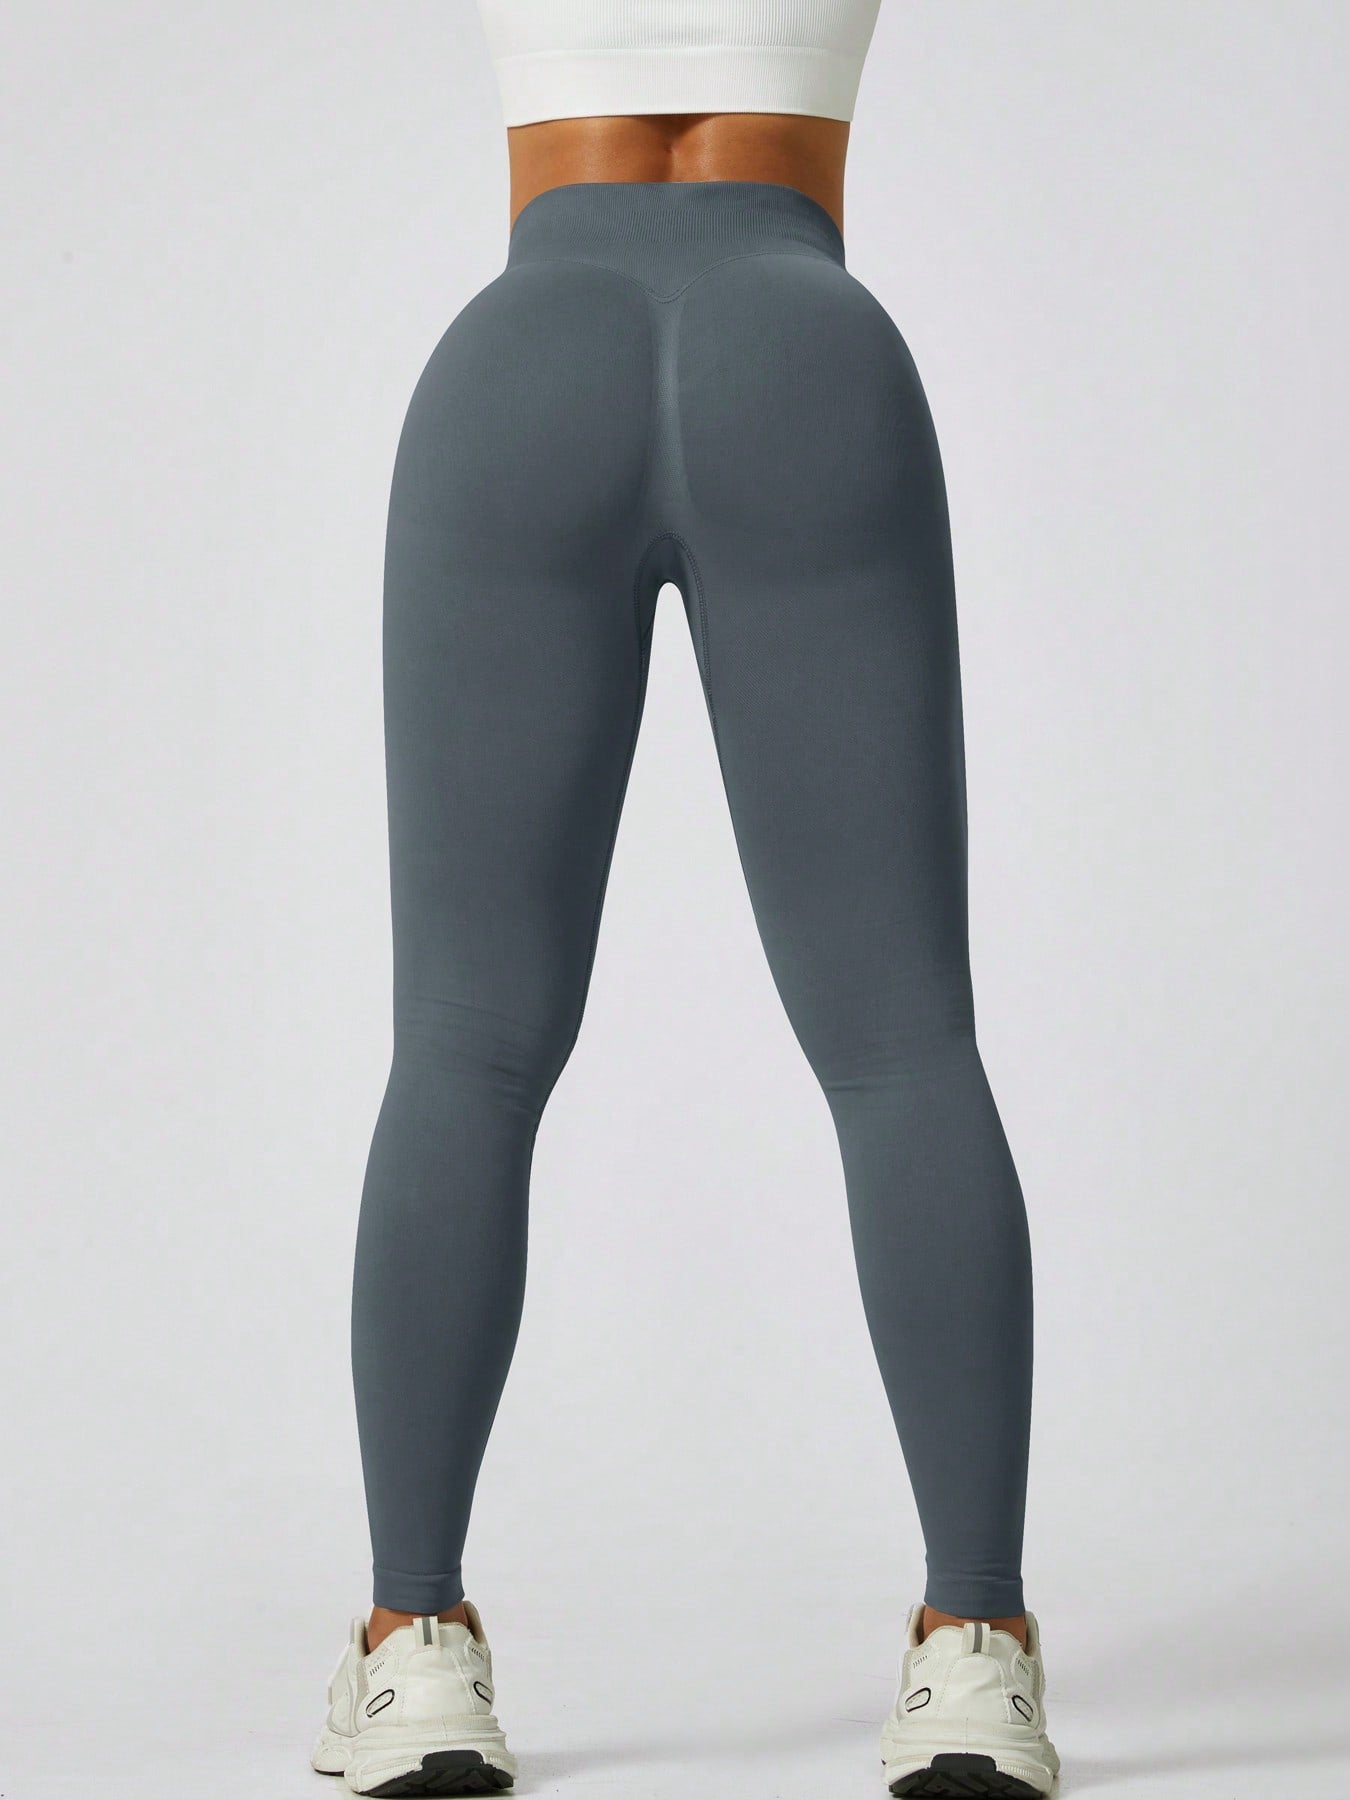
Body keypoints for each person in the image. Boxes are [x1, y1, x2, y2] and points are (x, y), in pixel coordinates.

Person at [311, 4, 1061, 1795]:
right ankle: (974, 1652)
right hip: (805, 356)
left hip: (521, 365)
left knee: (466, 1045)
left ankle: (413, 1647)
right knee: (901, 1042)